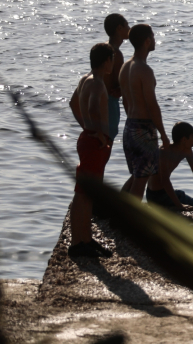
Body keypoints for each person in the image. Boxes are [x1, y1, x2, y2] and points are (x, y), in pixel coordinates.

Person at [67, 42, 115, 259]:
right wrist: (99, 134)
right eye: (112, 59)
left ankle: (85, 239)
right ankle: (78, 243)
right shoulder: (97, 83)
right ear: (106, 61)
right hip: (94, 143)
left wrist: (86, 127)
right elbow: (95, 106)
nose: (113, 64)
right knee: (84, 194)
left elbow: (73, 103)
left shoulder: (84, 79)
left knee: (87, 194)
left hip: (87, 138)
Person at [119, 23, 170, 200]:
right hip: (143, 129)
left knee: (137, 175)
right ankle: (132, 222)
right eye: (153, 37)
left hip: (129, 126)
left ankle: (116, 211)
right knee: (141, 180)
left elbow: (125, 100)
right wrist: (163, 134)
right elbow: (152, 105)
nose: (155, 40)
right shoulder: (144, 70)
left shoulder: (125, 67)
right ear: (147, 41)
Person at [103, 14, 130, 143]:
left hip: (101, 102)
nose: (129, 28)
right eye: (127, 25)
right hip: (110, 104)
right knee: (107, 143)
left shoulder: (104, 48)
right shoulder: (116, 54)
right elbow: (119, 85)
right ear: (119, 28)